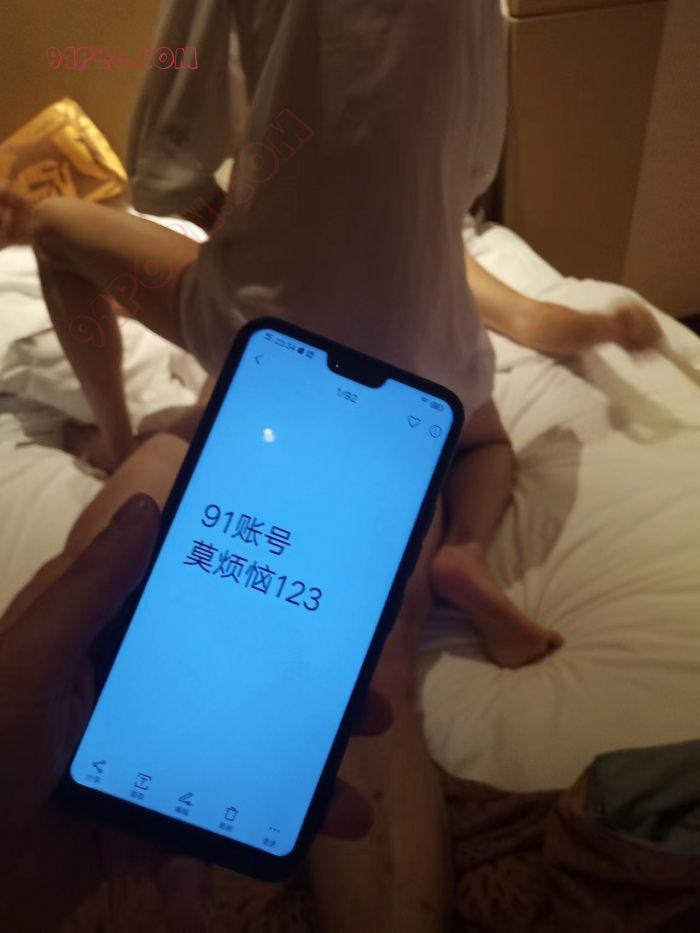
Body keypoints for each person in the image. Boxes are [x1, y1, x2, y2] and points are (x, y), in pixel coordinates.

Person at [0, 0, 661, 669]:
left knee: (68, 244)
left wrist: (231, 234)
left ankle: (115, 442)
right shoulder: (435, 248)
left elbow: (167, 166)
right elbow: (520, 298)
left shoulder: (284, 205)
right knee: (482, 443)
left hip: (259, 331)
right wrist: (611, 324)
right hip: (410, 357)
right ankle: (466, 548)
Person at [0, 437, 451, 932]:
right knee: (366, 655)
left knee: (70, 577)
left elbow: (487, 443)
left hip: (250, 459)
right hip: (263, 460)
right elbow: (489, 444)